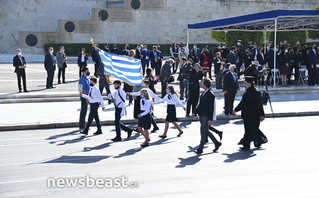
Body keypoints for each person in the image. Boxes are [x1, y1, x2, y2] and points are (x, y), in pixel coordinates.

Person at [233, 77, 267, 150]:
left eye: (245, 83)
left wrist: (262, 115)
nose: (244, 85)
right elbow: (242, 103)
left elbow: (259, 105)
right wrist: (236, 109)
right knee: (248, 130)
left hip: (254, 116)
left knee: (253, 130)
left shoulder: (256, 93)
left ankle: (254, 142)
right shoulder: (246, 94)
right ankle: (249, 144)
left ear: (250, 84)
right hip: (247, 116)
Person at [193, 77, 222, 154]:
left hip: (206, 115)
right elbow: (200, 105)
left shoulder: (210, 94)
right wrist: (195, 112)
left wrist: (210, 119)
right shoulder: (203, 93)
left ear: (205, 84)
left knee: (203, 131)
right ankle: (216, 142)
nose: (202, 84)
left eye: (202, 83)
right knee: (205, 130)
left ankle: (200, 148)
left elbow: (211, 108)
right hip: (202, 114)